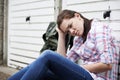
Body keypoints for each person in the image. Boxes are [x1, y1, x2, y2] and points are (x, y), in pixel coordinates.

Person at [8, 9, 119, 80]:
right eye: (68, 31)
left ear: (77, 16)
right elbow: (63, 61)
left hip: (96, 78)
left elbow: (107, 64)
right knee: (38, 67)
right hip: (85, 76)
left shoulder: (98, 29)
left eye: (71, 25)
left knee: (47, 55)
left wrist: (80, 68)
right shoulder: (79, 40)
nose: (71, 31)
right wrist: (62, 35)